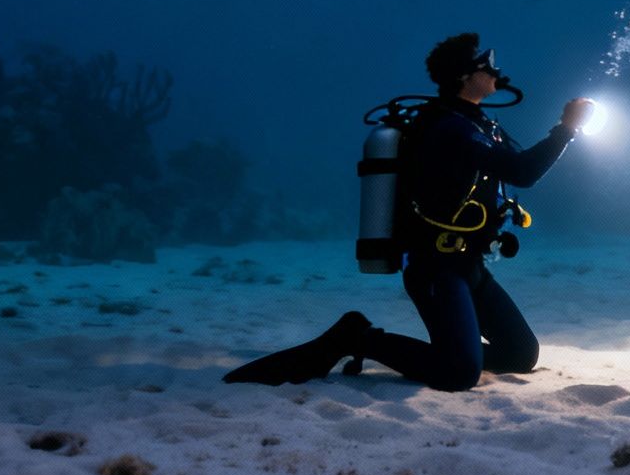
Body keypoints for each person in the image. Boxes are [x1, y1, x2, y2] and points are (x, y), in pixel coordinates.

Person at [224, 32, 591, 391]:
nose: (496, 70)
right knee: (458, 375)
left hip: (470, 265)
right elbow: (523, 173)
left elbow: (518, 167)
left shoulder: (477, 124)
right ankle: (359, 338)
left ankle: (451, 353)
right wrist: (566, 128)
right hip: (437, 268)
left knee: (520, 354)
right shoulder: (450, 128)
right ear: (465, 75)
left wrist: (564, 131)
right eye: (487, 64)